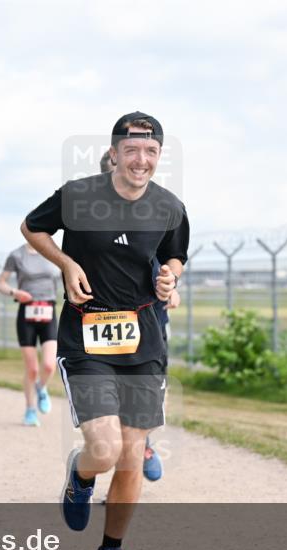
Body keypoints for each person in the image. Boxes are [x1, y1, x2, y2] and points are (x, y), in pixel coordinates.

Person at [21, 111, 189, 550]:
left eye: (151, 151)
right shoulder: (78, 196)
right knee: (105, 448)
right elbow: (32, 227)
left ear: (159, 156)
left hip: (144, 342)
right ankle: (81, 474)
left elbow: (176, 254)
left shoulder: (170, 207)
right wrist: (66, 263)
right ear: (114, 153)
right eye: (131, 149)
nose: (141, 159)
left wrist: (170, 276)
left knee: (133, 453)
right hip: (87, 338)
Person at [99, 150, 178, 483]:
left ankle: (144, 442)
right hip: (104, 322)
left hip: (150, 319)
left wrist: (171, 284)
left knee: (152, 390)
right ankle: (119, 453)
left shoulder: (154, 213)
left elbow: (169, 259)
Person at [0, 243, 60, 426]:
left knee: (49, 365)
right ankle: (30, 410)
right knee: (32, 369)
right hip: (27, 313)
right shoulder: (17, 255)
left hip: (48, 310)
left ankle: (41, 387)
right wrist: (15, 292)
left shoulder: (53, 251)